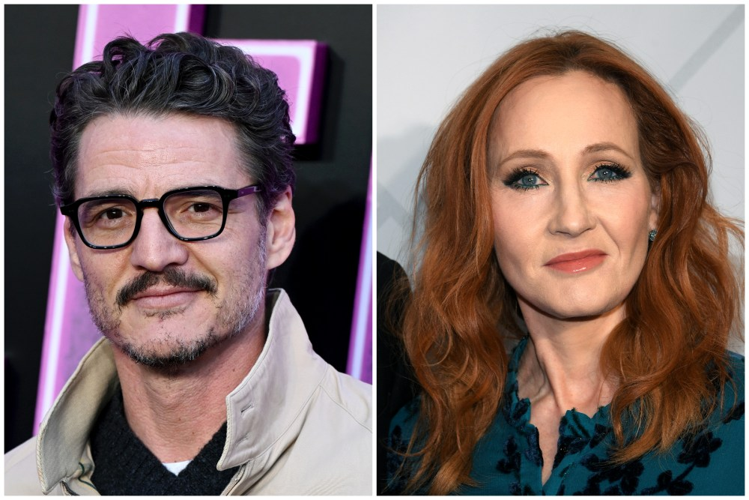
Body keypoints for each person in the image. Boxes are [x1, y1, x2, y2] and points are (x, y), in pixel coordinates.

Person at [4, 32, 372, 495]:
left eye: (199, 207)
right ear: (75, 246)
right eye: (113, 215)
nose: (154, 255)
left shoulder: (384, 466)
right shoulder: (14, 485)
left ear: (276, 227)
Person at [385, 30, 743, 495]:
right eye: (527, 178)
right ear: (478, 215)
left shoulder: (738, 419)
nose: (572, 220)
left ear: (656, 202)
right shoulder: (419, 443)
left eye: (605, 171)